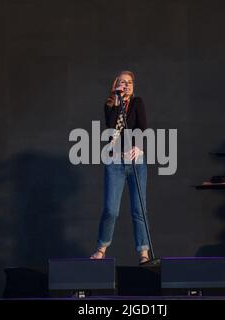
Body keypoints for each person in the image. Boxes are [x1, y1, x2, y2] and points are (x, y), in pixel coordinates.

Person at [90, 70, 151, 264]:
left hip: (136, 162)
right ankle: (101, 248)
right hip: (115, 161)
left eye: (130, 82)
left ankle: (144, 253)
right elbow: (111, 127)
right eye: (122, 82)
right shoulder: (110, 105)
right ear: (115, 85)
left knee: (139, 210)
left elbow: (143, 128)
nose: (127, 85)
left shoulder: (137, 103)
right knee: (111, 210)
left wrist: (138, 146)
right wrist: (117, 100)